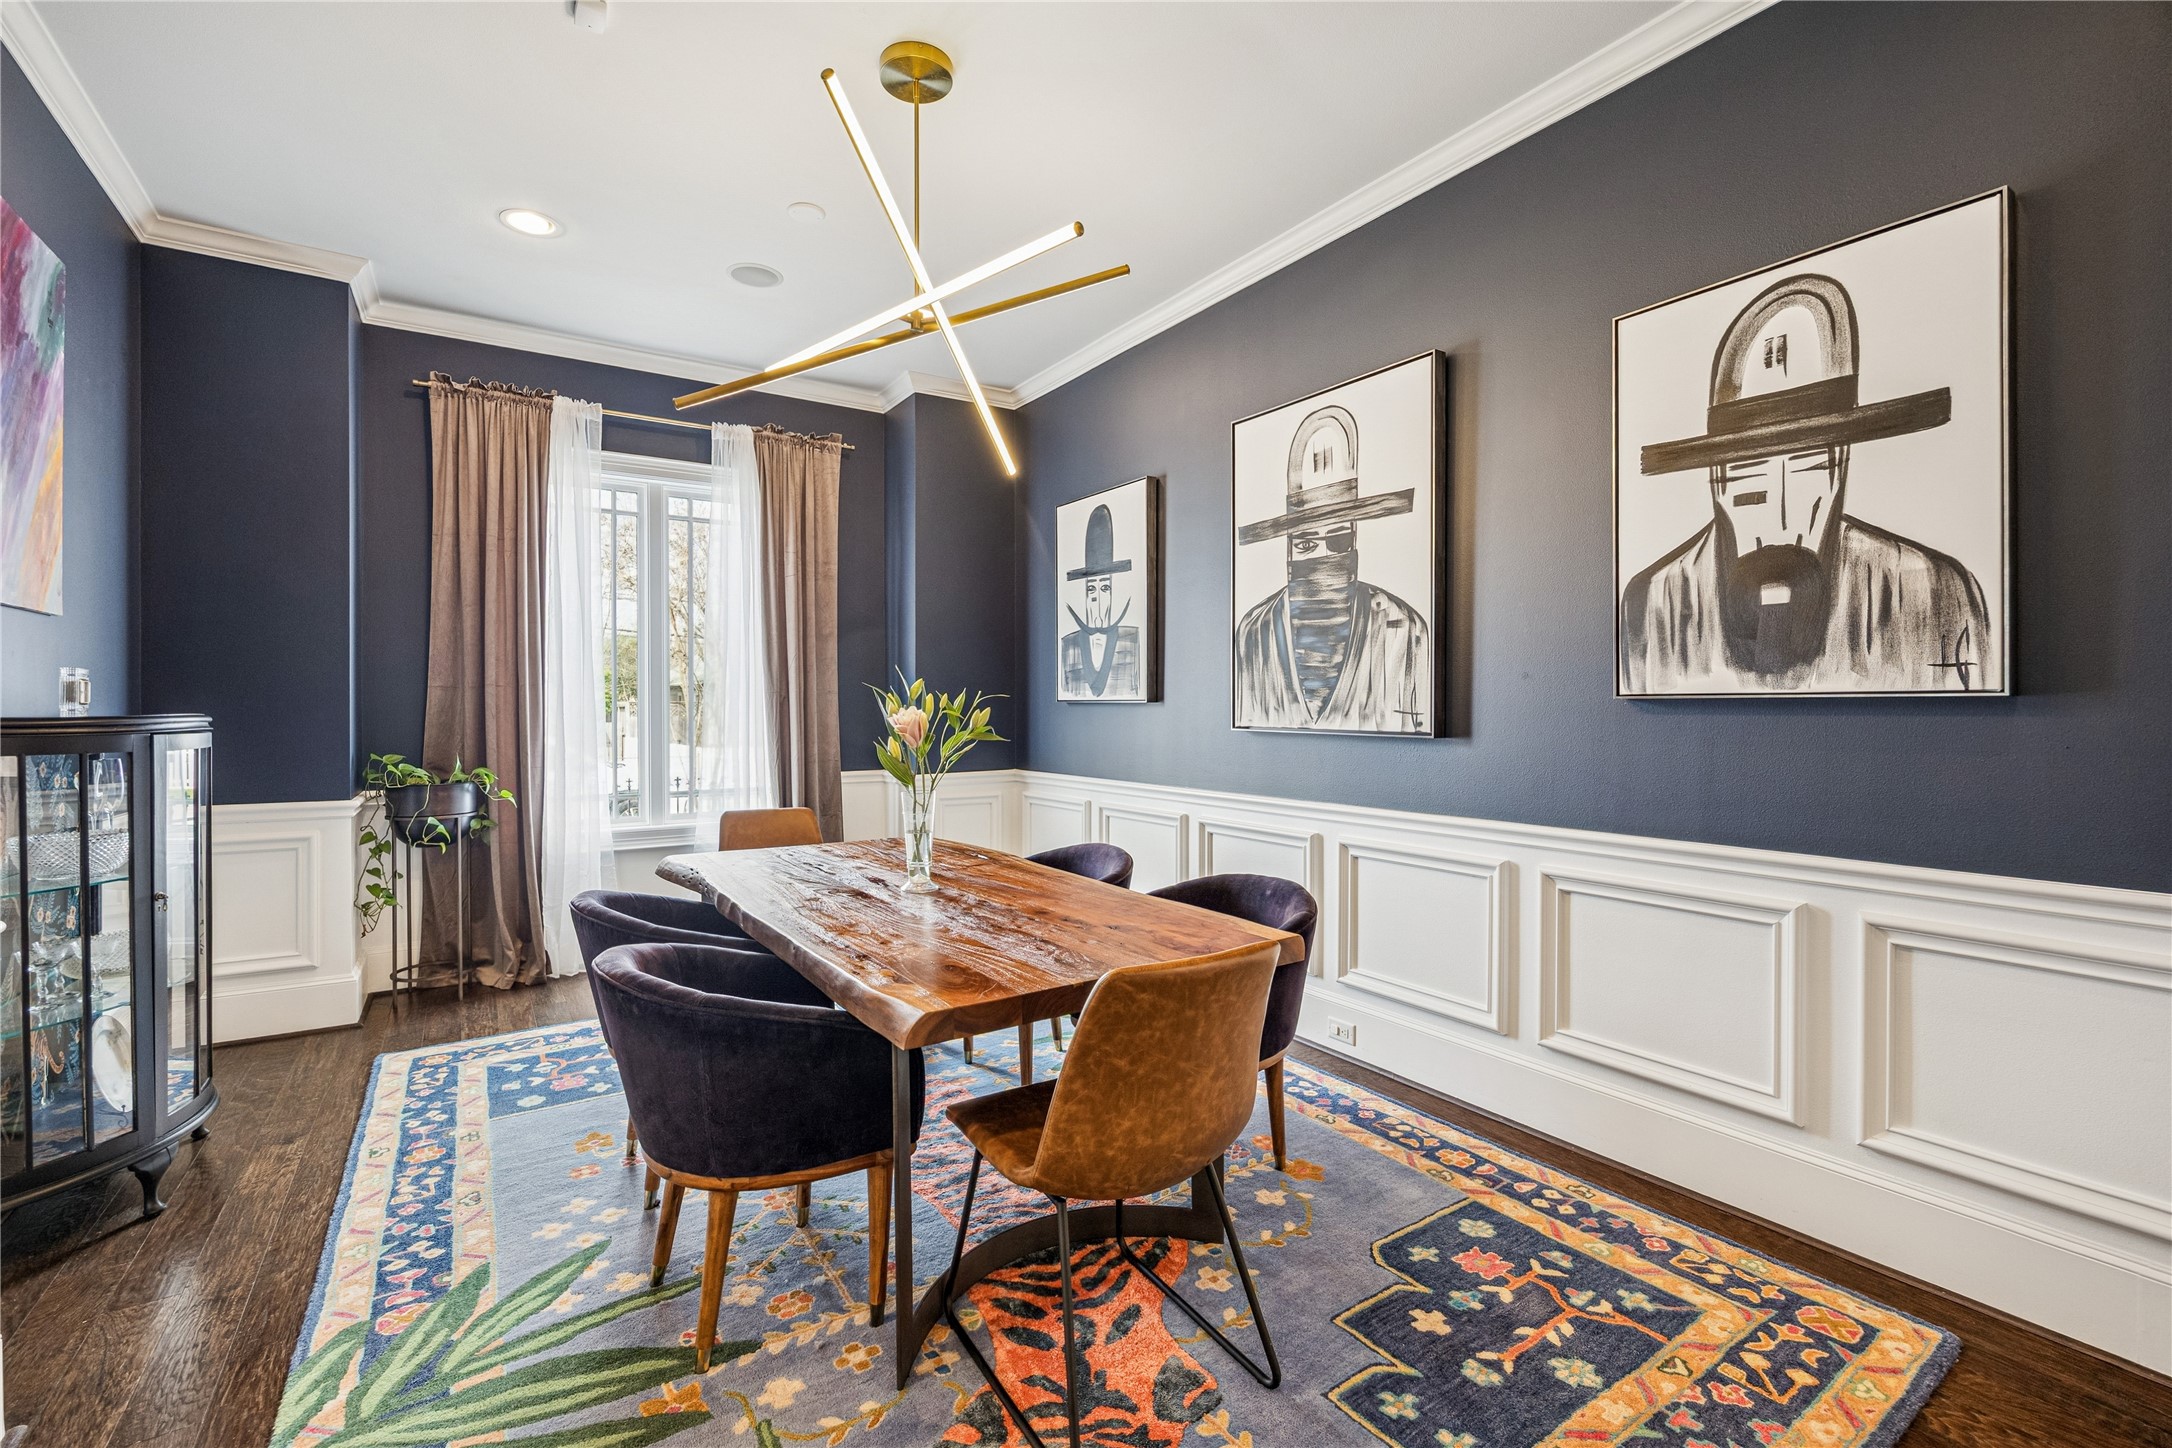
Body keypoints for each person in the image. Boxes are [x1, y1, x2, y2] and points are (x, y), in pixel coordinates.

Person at [1621, 273, 1991, 693]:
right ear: (1718, 480)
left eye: (1809, 468)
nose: (1781, 521)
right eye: (1750, 478)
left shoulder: (1931, 590)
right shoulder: (1654, 603)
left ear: (1839, 468)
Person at [1234, 405, 1429, 731]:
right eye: (1307, 544)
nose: (1323, 556)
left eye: (1338, 541)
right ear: (1290, 548)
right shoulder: (1254, 632)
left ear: (1354, 539)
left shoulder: (1404, 630)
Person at [1060, 503, 1142, 698]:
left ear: (1112, 591)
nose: (1096, 598)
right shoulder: (1068, 645)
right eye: (1091, 589)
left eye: (1105, 587)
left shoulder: (1132, 640)